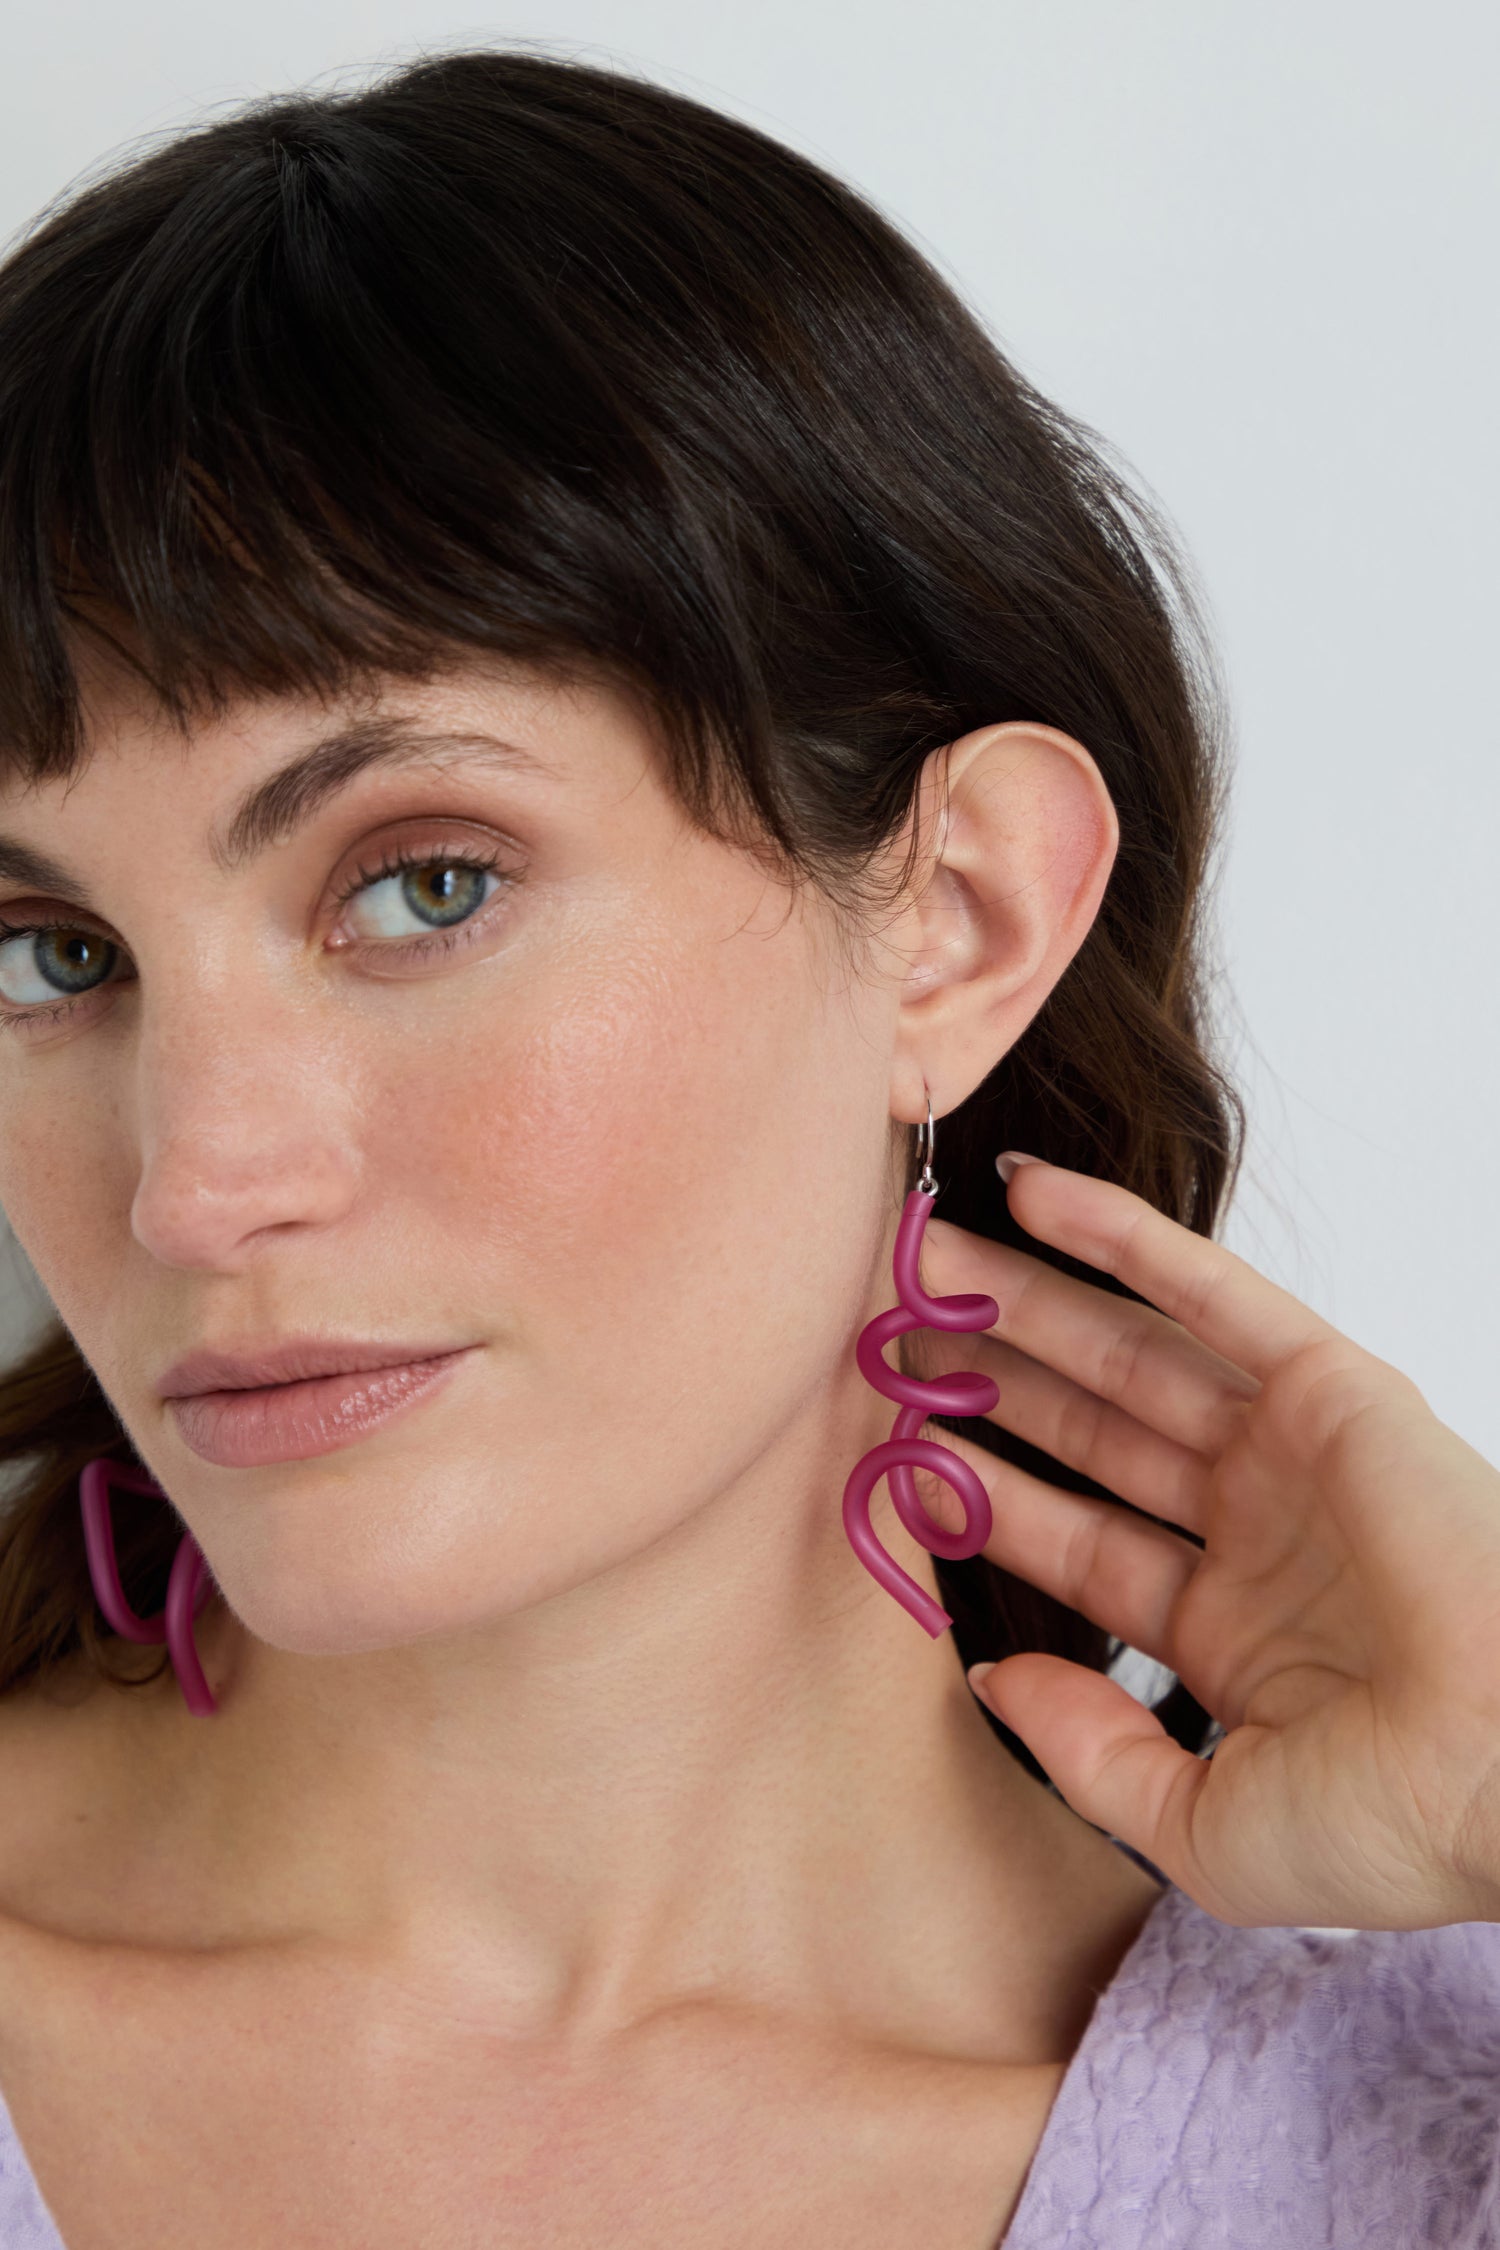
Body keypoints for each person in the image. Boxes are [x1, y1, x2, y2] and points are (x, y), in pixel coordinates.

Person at [0, 46, 1496, 2250]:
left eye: (423, 883)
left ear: (961, 921)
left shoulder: (1424, 2143)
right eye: (48, 953)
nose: (190, 1187)